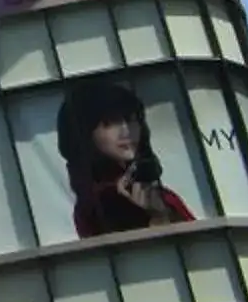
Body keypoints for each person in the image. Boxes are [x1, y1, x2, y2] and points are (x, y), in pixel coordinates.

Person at [57, 76, 197, 238]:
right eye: (110, 123)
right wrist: (158, 218)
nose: (126, 131)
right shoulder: (98, 203)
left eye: (132, 120)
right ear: (85, 134)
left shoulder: (148, 190)